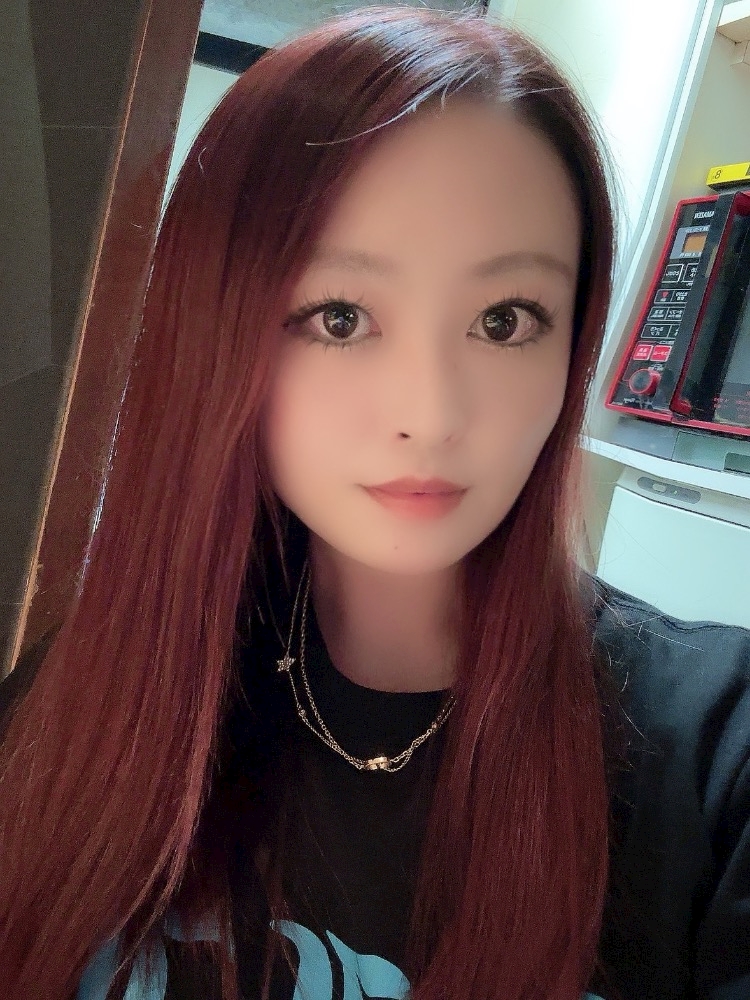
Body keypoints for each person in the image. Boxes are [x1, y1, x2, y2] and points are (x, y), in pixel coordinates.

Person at [1, 6, 749, 1000]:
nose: (430, 414)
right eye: (341, 317)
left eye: (504, 320)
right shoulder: (94, 692)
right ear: (217, 334)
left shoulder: (716, 754)